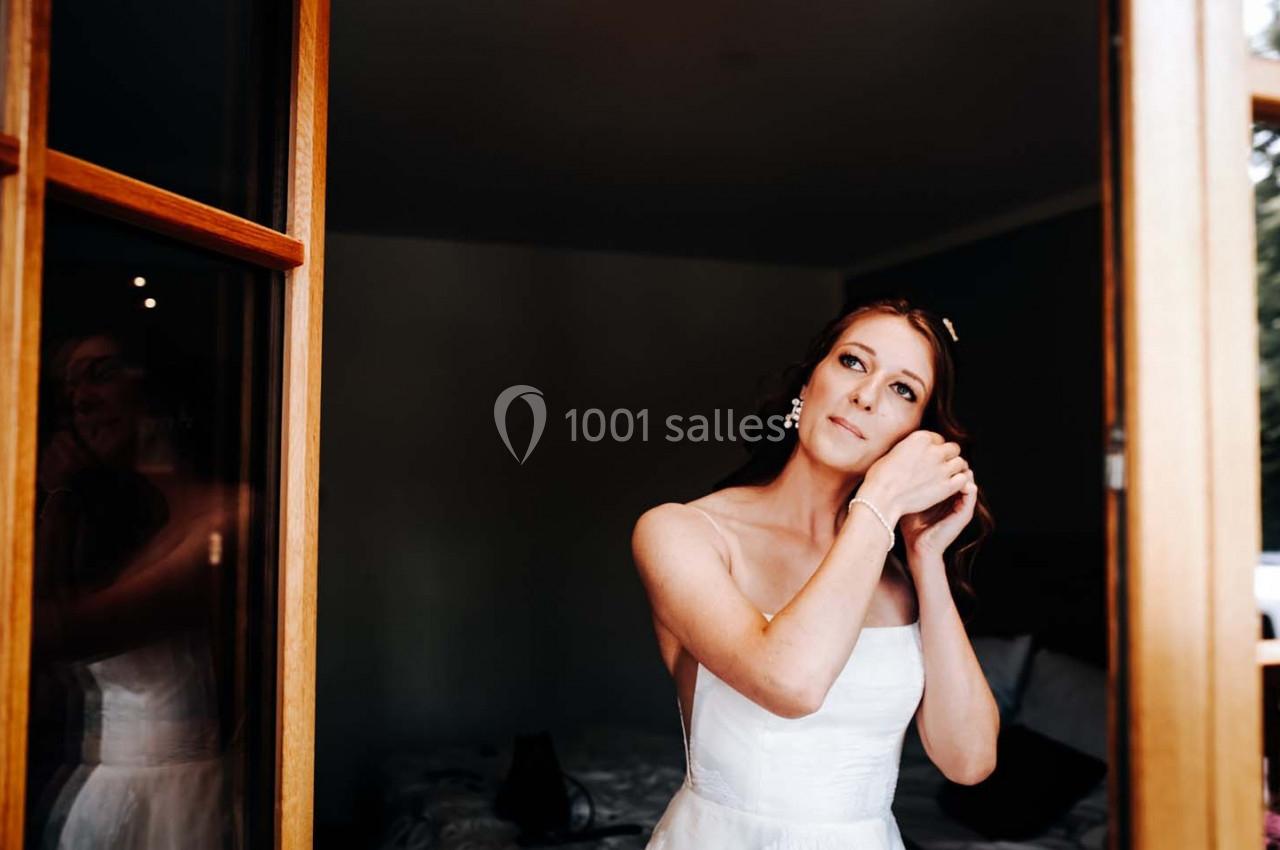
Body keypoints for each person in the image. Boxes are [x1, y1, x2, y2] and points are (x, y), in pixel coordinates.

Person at [632, 297, 999, 849]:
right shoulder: (684, 532)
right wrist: (878, 501)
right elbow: (791, 684)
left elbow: (968, 761)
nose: (866, 396)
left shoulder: (898, 575)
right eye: (854, 362)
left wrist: (925, 560)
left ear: (915, 436)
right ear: (809, 383)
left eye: (903, 390)